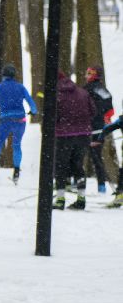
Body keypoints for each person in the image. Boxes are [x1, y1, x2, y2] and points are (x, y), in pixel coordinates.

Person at [0, 64, 37, 183]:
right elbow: (32, 103)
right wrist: (33, 112)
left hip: (5, 121)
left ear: (3, 75)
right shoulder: (20, 87)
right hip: (20, 120)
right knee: (17, 145)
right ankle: (16, 171)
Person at [52, 70, 91, 210]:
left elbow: (53, 116)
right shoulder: (82, 92)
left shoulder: (56, 95)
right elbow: (93, 111)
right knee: (78, 165)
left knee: (60, 166)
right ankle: (81, 198)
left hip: (64, 135)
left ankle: (60, 198)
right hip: (83, 134)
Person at [84, 67, 113, 194]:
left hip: (91, 128)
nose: (86, 75)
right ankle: (101, 186)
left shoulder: (89, 88)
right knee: (96, 157)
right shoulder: (98, 88)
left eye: (89, 73)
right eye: (87, 73)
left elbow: (110, 108)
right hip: (96, 127)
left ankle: (99, 186)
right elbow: (110, 109)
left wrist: (105, 117)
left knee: (78, 156)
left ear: (95, 75)